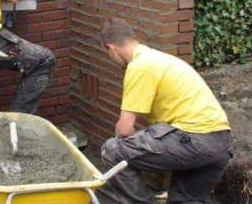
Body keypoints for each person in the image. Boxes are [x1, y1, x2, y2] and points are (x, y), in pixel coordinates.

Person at [100, 17, 233, 203]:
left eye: (108, 54)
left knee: (112, 151)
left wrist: (138, 144)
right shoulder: (161, 59)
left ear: (111, 48)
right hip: (220, 143)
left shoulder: (139, 66)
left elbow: (124, 130)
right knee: (185, 200)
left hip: (194, 139)